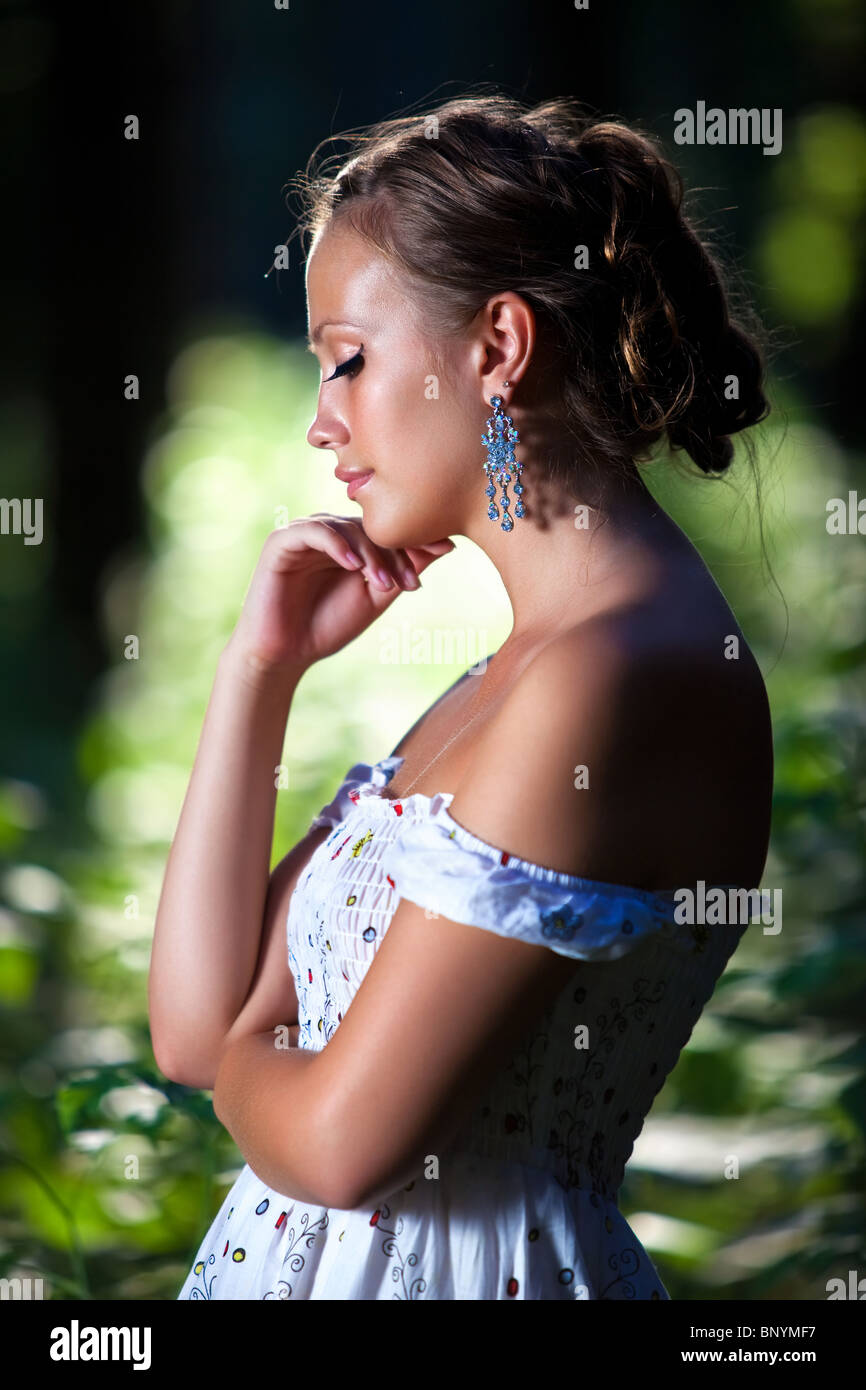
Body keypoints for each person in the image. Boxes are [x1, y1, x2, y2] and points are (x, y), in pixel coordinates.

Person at [152, 93, 774, 1300]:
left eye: (346, 359)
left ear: (495, 346)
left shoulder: (614, 677)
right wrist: (261, 672)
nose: (322, 423)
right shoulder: (507, 676)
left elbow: (337, 1146)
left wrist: (251, 1054)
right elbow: (193, 1028)